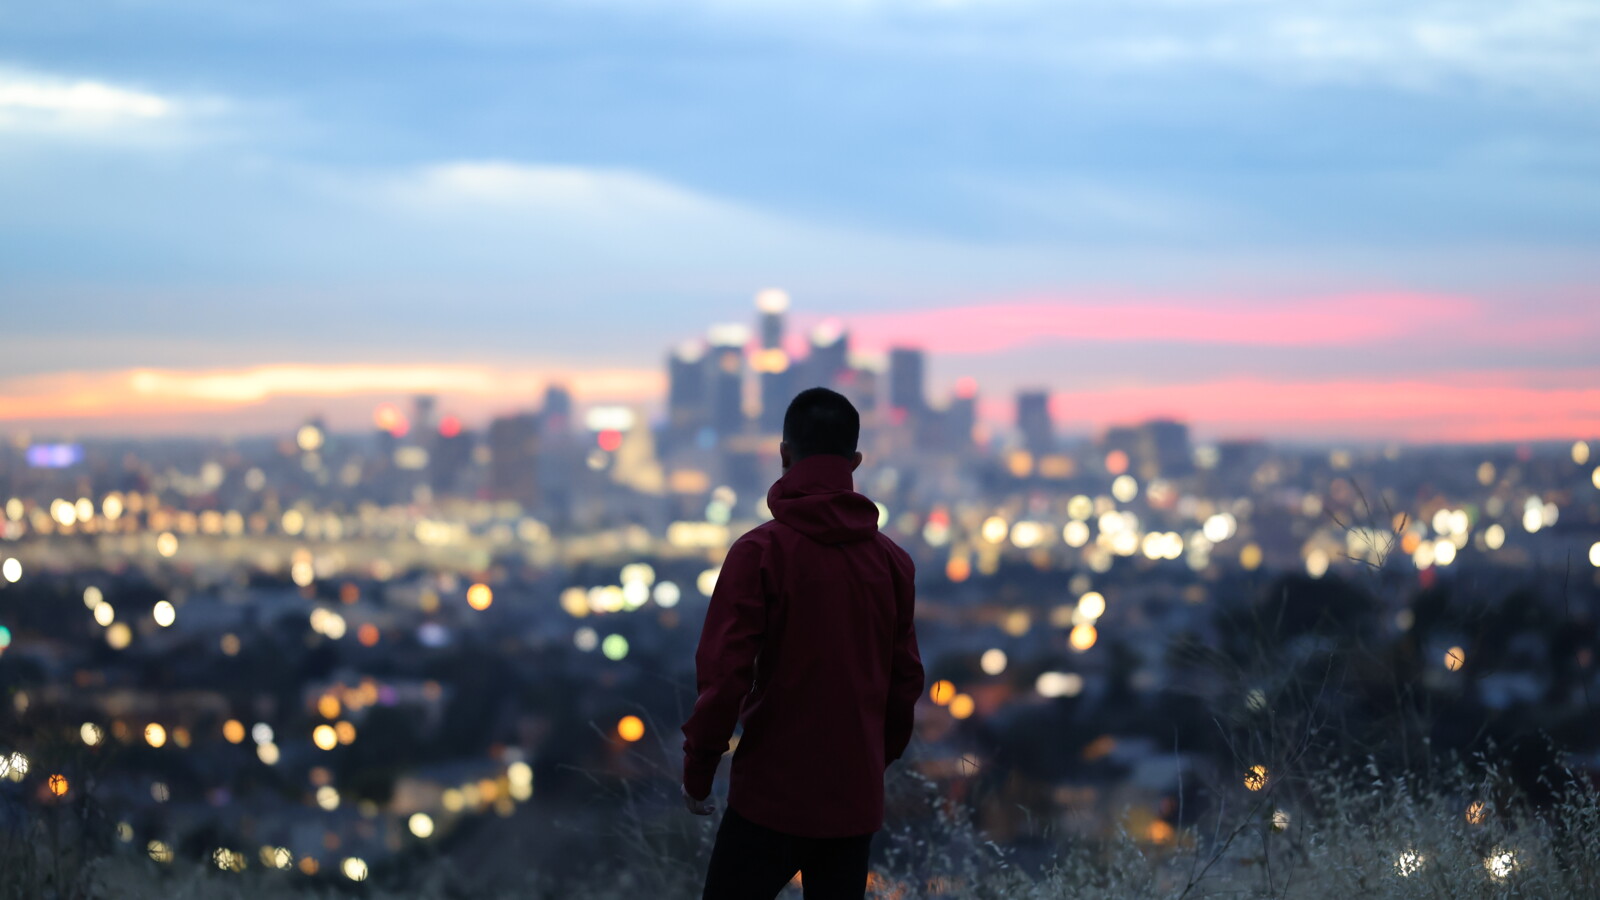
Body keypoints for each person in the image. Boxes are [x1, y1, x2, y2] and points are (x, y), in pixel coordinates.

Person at [681, 387, 924, 900]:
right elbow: (905, 684)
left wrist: (700, 768)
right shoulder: (892, 563)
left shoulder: (759, 553)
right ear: (855, 461)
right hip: (853, 803)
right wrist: (868, 764)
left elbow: (724, 677)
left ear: (785, 455)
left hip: (770, 796)